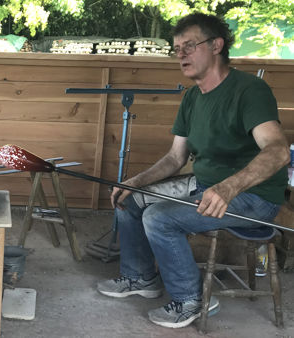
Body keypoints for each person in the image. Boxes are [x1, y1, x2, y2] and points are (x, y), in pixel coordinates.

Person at [97, 13, 290, 329]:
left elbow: (278, 150)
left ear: (216, 45)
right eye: (177, 49)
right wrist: (134, 181)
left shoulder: (249, 90)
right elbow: (175, 158)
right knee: (128, 199)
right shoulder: (191, 98)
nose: (181, 54)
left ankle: (191, 300)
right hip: (204, 184)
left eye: (189, 46)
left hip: (252, 196)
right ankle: (140, 277)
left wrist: (228, 187)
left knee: (159, 218)